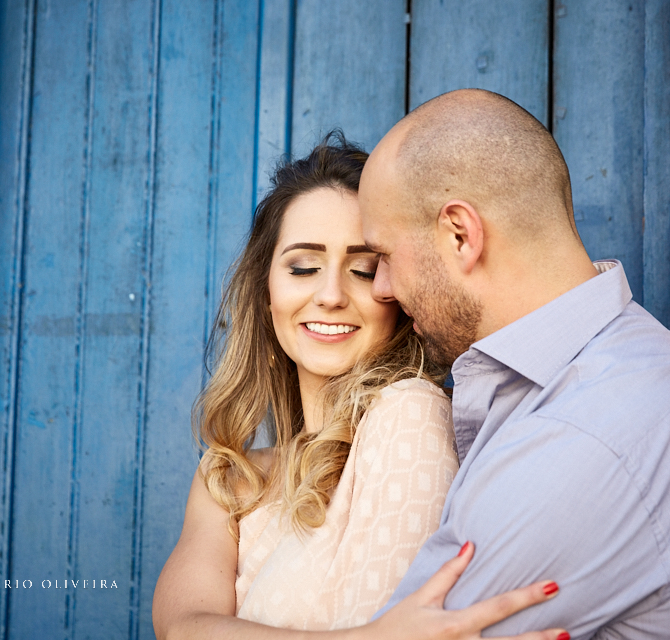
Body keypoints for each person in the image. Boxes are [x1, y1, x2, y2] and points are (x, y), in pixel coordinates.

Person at [357, 89, 670, 639]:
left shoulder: (581, 437)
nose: (381, 289)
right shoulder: (626, 362)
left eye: (382, 256)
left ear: (460, 235)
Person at [152, 135, 569, 640]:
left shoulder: (408, 418)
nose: (330, 295)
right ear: (266, 293)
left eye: (363, 269)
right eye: (303, 267)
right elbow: (181, 627)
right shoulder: (230, 476)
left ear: (396, 294)